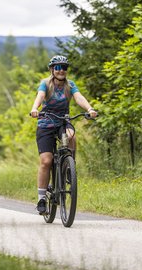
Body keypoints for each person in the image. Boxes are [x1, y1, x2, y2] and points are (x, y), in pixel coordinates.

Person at [30, 55, 97, 215]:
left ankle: (69, 166)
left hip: (62, 121)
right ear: (52, 70)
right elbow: (39, 96)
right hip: (45, 123)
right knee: (46, 161)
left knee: (71, 136)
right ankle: (41, 199)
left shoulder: (70, 85)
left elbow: (78, 97)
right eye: (58, 67)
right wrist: (35, 108)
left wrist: (89, 109)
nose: (61, 71)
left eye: (64, 67)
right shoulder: (45, 84)